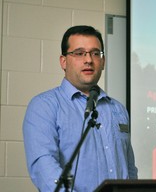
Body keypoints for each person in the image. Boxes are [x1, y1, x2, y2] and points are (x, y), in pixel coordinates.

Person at [23, 25, 138, 191]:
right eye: (79, 53)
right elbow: (44, 169)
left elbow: (129, 168)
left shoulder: (118, 109)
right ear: (63, 61)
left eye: (95, 53)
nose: (89, 60)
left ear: (103, 62)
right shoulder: (44, 106)